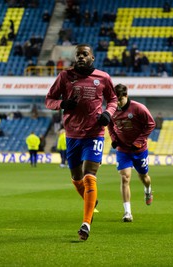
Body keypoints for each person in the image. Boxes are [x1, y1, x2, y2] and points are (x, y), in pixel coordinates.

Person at [45, 43, 117, 241]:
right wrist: (62, 104)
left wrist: (107, 114)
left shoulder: (103, 78)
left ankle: (86, 223)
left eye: (85, 54)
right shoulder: (64, 77)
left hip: (94, 133)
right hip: (72, 135)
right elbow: (49, 99)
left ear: (92, 58)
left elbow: (113, 100)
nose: (81, 57)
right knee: (76, 178)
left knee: (89, 175)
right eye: (78, 55)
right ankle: (91, 199)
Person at [108, 84, 156, 222]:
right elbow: (110, 125)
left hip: (139, 150)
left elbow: (151, 124)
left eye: (119, 100)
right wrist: (114, 139)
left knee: (144, 176)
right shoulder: (112, 109)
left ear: (126, 96)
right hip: (123, 150)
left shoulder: (138, 108)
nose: (116, 103)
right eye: (114, 100)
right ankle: (127, 212)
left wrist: (139, 141)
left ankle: (148, 190)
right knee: (125, 178)